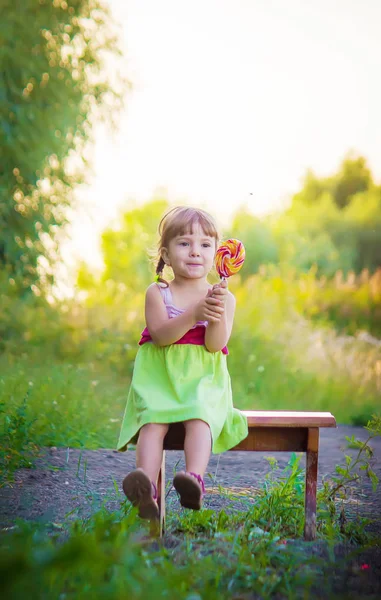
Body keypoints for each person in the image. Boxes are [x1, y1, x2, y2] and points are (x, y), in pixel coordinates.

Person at [117, 206, 248, 520]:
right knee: (152, 423)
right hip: (160, 377)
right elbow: (161, 336)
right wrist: (193, 315)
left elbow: (215, 345)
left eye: (205, 245)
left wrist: (214, 313)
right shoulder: (158, 293)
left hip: (201, 379)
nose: (195, 252)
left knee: (200, 417)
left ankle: (194, 480)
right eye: (184, 243)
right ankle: (145, 488)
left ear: (217, 254)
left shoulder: (224, 298)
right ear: (166, 253)